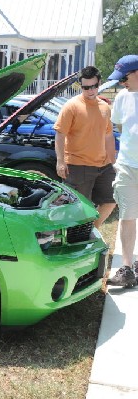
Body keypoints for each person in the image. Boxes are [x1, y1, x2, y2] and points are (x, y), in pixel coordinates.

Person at [53, 66, 117, 229]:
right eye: (86, 87)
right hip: (77, 166)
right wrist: (60, 161)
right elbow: (60, 134)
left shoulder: (104, 107)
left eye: (94, 86)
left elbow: (108, 136)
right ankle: (73, 239)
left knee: (111, 201)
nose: (90, 90)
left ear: (99, 83)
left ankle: (91, 231)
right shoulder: (71, 106)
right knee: (78, 210)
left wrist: (113, 161)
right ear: (80, 86)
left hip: (104, 166)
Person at [106, 55, 138, 287]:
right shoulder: (122, 98)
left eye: (124, 78)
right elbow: (118, 125)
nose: (121, 83)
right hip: (127, 165)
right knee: (127, 216)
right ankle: (127, 268)